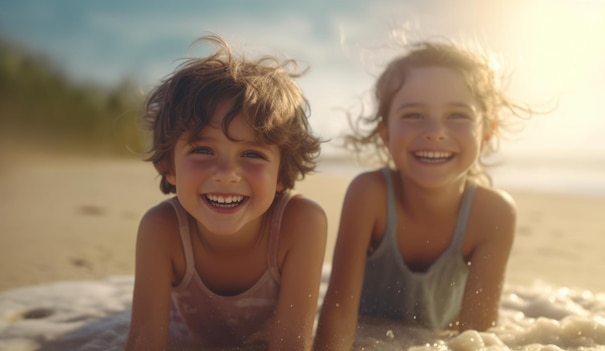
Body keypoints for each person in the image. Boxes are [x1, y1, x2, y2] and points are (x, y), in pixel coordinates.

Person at [315, 39, 535, 350]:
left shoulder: (491, 213)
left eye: (457, 115)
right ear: (385, 133)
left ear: (487, 132)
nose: (435, 131)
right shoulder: (370, 196)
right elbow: (337, 318)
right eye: (414, 115)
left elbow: (477, 336)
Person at [125, 34, 327, 351]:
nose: (227, 174)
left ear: (281, 173)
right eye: (203, 150)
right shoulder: (162, 230)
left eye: (252, 154)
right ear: (169, 165)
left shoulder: (300, 224)